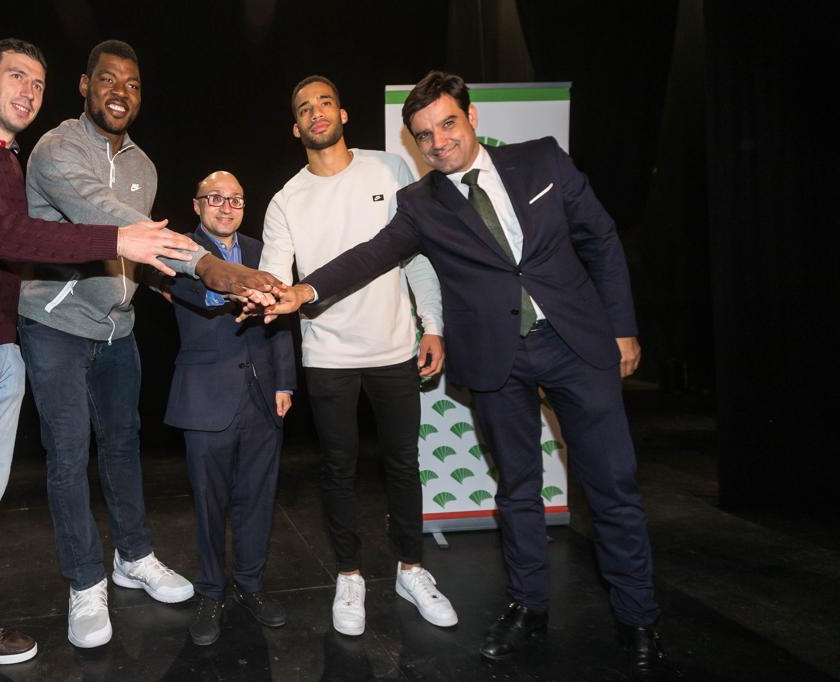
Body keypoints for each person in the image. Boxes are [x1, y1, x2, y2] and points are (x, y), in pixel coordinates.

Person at [259, 71, 669, 677]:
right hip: (498, 362)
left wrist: (621, 326)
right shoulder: (422, 203)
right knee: (517, 491)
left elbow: (601, 238)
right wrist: (305, 291)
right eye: (424, 135)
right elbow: (372, 254)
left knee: (611, 487)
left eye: (447, 125)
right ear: (414, 142)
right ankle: (529, 607)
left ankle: (637, 616)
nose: (439, 142)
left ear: (471, 119)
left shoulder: (540, 161)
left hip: (577, 346)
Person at [0, 38, 203, 682]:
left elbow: (16, 249)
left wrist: (169, 272)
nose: (27, 92)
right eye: (16, 77)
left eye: (36, 82)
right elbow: (3, 235)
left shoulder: (8, 161)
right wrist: (122, 239)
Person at [17, 40, 281, 649]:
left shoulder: (145, 167)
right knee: (66, 454)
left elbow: (139, 250)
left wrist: (189, 273)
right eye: (107, 80)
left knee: (123, 447)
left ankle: (131, 556)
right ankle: (85, 582)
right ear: (83, 86)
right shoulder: (56, 149)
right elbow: (106, 217)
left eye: (132, 84)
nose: (120, 92)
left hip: (117, 328)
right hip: (55, 325)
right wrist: (211, 266)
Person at [257, 75, 456, 638]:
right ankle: (349, 575)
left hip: (395, 348)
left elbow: (415, 256)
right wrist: (252, 290)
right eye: (303, 109)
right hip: (328, 357)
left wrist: (432, 324)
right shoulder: (285, 201)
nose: (315, 113)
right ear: (295, 128)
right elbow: (277, 280)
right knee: (338, 470)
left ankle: (412, 569)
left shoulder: (390, 171)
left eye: (324, 103)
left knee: (402, 464)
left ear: (343, 114)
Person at [163, 171, 296, 646]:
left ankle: (251, 586)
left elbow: (281, 320)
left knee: (258, 498)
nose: (226, 206)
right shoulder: (179, 249)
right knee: (209, 502)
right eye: (215, 198)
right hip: (205, 397)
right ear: (197, 204)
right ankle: (211, 591)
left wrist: (286, 382)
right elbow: (190, 292)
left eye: (235, 199)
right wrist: (233, 288)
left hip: (262, 395)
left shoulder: (265, 252)